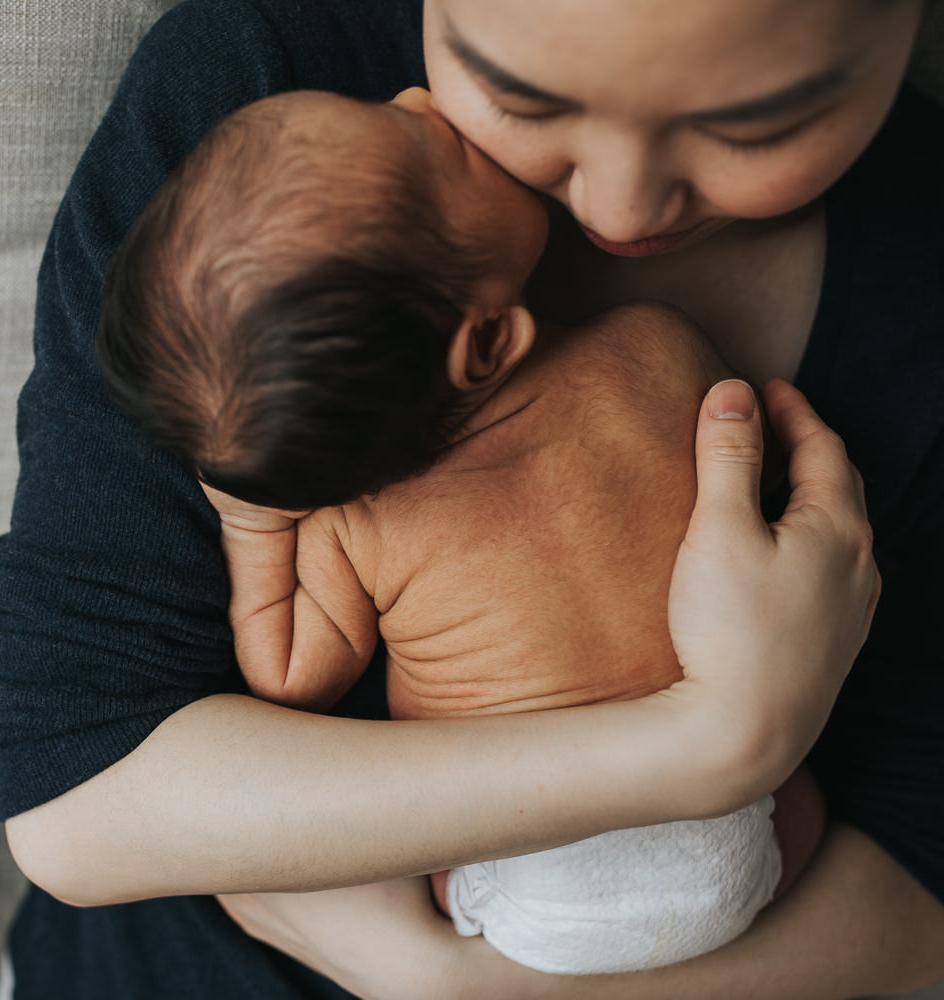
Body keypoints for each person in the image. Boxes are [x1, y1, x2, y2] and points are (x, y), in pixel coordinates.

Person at [0, 1, 939, 997]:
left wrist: (460, 988)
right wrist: (721, 741)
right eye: (519, 95)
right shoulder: (263, 130)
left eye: (756, 126)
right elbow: (74, 794)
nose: (620, 211)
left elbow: (921, 879)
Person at [95, 86, 799, 974]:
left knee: (401, 881)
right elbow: (759, 491)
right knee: (793, 818)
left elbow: (288, 678)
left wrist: (250, 522)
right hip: (742, 839)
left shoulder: (359, 526)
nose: (419, 99)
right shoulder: (659, 351)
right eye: (440, 152)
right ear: (490, 342)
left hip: (539, 894)